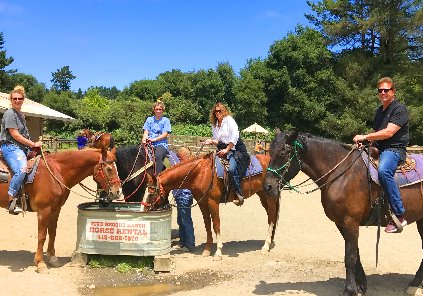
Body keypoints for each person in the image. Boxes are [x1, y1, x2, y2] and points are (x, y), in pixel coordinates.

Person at [353, 77, 409, 233]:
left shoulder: (399, 109)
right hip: (379, 147)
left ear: (393, 92)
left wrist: (365, 137)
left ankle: (399, 214)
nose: (383, 93)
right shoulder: (379, 111)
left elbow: (389, 132)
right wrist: (366, 143)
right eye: (380, 90)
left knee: (384, 172)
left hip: (394, 149)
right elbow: (377, 134)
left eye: (386, 90)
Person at [0, 85, 42, 215]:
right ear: (11, 100)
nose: (17, 100)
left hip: (21, 148)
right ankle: (11, 201)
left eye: (19, 98)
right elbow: (15, 135)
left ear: (23, 99)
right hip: (10, 147)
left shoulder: (21, 115)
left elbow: (24, 135)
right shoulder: (10, 114)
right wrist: (32, 143)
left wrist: (34, 146)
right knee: (22, 169)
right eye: (14, 99)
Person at [204, 102, 250, 206]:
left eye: (220, 110)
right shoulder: (215, 125)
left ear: (224, 111)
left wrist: (227, 149)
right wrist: (210, 141)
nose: (217, 113)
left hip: (235, 149)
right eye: (216, 111)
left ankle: (239, 193)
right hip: (223, 149)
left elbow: (234, 137)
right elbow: (218, 141)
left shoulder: (229, 120)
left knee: (231, 169)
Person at [171, 147, 195, 253]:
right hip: (180, 196)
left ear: (184, 156)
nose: (179, 159)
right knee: (181, 220)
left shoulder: (186, 167)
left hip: (184, 196)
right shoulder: (184, 165)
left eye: (180, 157)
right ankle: (182, 242)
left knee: (186, 221)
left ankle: (189, 245)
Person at [141, 101, 171, 175]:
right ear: (154, 110)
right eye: (156, 109)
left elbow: (165, 134)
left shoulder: (166, 120)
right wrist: (144, 139)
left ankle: (158, 176)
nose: (158, 111)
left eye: (160, 109)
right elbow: (146, 131)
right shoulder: (149, 119)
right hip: (149, 142)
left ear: (162, 110)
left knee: (158, 155)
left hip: (161, 143)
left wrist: (154, 139)